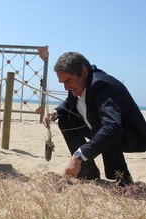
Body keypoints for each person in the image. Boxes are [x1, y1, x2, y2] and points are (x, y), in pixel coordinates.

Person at [43, 52, 146, 186]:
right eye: (62, 83)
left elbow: (112, 127)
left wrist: (77, 156)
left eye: (68, 81)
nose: (66, 87)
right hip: (102, 128)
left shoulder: (103, 86)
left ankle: (123, 180)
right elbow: (70, 101)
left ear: (84, 72)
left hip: (131, 136)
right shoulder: (80, 83)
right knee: (65, 120)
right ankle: (88, 172)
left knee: (103, 127)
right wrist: (55, 113)